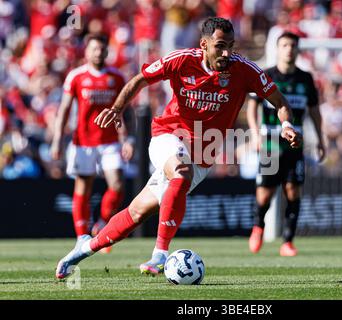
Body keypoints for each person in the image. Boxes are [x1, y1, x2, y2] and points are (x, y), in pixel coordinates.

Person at [55, 17, 302, 279]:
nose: (227, 53)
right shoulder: (182, 60)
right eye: (220, 46)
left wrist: (286, 125)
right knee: (181, 172)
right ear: (204, 45)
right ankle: (160, 254)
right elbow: (140, 79)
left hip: (203, 155)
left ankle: (83, 249)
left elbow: (280, 101)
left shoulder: (245, 70)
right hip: (168, 136)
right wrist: (117, 109)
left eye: (231, 45)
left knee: (137, 212)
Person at [51, 34, 134, 254]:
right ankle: (81, 237)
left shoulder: (116, 77)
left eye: (102, 49)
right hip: (84, 142)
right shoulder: (76, 77)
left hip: (110, 141)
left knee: (117, 185)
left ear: (107, 51)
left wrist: (128, 139)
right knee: (83, 188)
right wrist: (57, 140)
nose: (98, 53)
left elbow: (127, 111)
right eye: (94, 49)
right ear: (86, 52)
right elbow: (64, 110)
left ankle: (102, 224)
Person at [247, 32, 326, 256]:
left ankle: (288, 241)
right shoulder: (266, 75)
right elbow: (253, 105)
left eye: (293, 45)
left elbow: (314, 111)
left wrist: (320, 139)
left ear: (298, 49)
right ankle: (258, 226)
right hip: (270, 143)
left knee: (293, 191)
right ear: (277, 48)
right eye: (284, 45)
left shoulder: (305, 79)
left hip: (295, 144)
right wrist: (254, 133)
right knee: (264, 194)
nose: (289, 49)